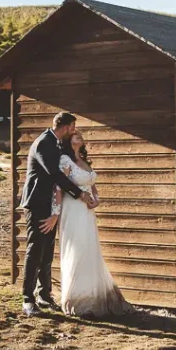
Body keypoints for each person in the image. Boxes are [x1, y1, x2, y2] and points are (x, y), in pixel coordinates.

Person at [18, 112, 96, 317]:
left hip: (51, 205)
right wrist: (79, 194)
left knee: (47, 251)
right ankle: (28, 299)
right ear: (65, 126)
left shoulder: (56, 144)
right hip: (37, 203)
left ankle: (44, 293)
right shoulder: (44, 143)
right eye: (72, 127)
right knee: (35, 250)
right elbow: (54, 174)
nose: (74, 131)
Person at [51, 130, 132, 317]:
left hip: (87, 212)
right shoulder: (65, 160)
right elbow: (58, 186)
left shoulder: (84, 161)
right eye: (74, 134)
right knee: (77, 248)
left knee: (89, 248)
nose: (79, 135)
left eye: (80, 134)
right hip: (72, 209)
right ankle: (77, 299)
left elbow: (91, 183)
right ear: (67, 140)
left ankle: (93, 295)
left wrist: (97, 199)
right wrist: (55, 213)